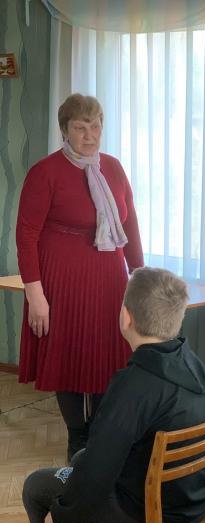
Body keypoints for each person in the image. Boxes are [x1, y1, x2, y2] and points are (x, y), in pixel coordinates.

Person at [22, 267, 205, 523]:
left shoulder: (133, 386)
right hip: (195, 502)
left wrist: (63, 515)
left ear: (126, 317)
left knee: (36, 487)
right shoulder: (201, 368)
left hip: (148, 517)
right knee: (83, 458)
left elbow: (98, 474)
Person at [16, 93, 144, 461]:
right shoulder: (45, 172)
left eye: (95, 126)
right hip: (61, 279)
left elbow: (130, 223)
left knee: (109, 353)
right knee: (68, 355)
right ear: (65, 131)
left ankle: (100, 435)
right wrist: (35, 295)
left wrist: (140, 277)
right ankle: (77, 437)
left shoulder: (113, 168)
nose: (90, 135)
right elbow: (26, 235)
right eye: (80, 128)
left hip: (109, 278)